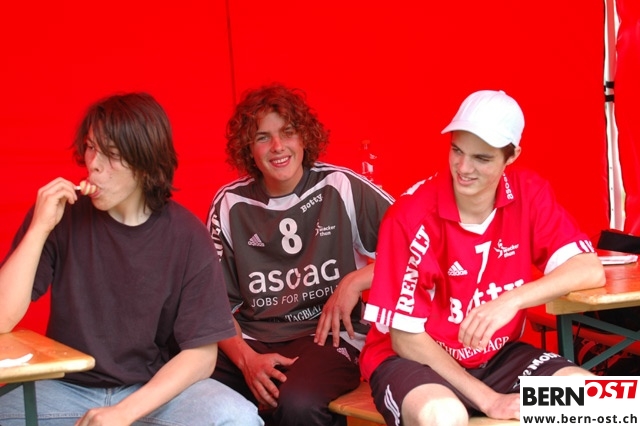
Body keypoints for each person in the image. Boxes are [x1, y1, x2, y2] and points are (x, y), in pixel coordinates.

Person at [0, 93, 263, 426]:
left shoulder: (187, 236)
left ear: (145, 163)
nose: (93, 164)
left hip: (152, 393)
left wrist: (124, 413)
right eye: (90, 147)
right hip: (63, 389)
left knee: (238, 418)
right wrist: (39, 228)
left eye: (110, 154)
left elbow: (201, 356)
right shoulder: (59, 218)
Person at [359, 89, 606, 425]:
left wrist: (510, 300)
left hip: (497, 358)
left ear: (512, 155)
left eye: (482, 158)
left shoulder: (528, 192)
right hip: (415, 360)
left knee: (599, 401)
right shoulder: (410, 216)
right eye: (457, 150)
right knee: (444, 416)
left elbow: (589, 269)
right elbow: (404, 338)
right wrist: (490, 400)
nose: (464, 168)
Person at [207, 83, 394, 426]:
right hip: (253, 338)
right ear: (248, 148)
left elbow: (419, 248)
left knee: (298, 402)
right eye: (263, 137)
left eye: (288, 132)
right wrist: (247, 360)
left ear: (305, 137)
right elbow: (211, 304)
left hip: (327, 337)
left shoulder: (340, 186)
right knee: (186, 385)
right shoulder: (230, 203)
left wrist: (355, 281)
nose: (277, 146)